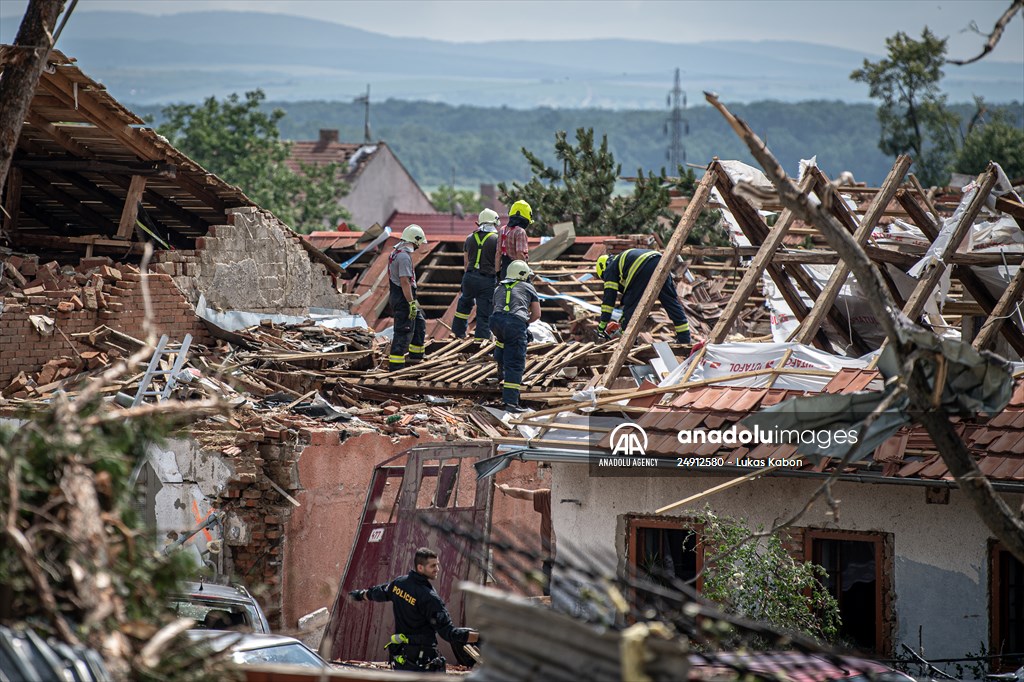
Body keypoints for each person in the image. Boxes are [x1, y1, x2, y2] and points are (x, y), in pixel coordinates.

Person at [349, 547, 479, 672]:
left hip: (402, 660)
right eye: (433, 566)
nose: (437, 569)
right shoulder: (430, 598)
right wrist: (480, 637)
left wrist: (360, 595)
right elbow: (448, 633)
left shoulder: (399, 583)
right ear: (420, 567)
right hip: (423, 664)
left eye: (437, 565)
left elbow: (380, 592)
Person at [595, 248, 691, 344]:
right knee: (671, 302)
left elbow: (609, 299)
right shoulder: (623, 262)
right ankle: (684, 338)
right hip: (661, 261)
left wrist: (602, 324)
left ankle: (628, 342)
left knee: (631, 307)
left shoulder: (610, 268)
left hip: (642, 265)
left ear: (603, 268)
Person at [489, 260, 540, 412]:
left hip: (496, 321)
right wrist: (524, 323)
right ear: (523, 275)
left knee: (502, 343)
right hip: (514, 324)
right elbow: (537, 314)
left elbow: (497, 307)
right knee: (515, 364)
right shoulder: (528, 287)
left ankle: (499, 372)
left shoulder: (499, 286)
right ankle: (511, 403)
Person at [496, 484, 555, 596]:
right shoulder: (549, 496)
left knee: (549, 595)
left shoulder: (548, 495)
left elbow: (521, 493)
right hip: (564, 557)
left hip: (550, 556)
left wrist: (505, 489)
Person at [452, 208, 500, 340]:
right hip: (487, 279)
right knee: (484, 311)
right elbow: (497, 260)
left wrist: (468, 276)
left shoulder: (469, 238)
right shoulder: (497, 239)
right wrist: (498, 276)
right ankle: (481, 339)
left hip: (469, 277)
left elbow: (466, 262)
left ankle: (458, 333)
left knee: (464, 304)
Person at [388, 225, 428, 371]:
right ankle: (396, 366)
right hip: (403, 298)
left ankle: (416, 358)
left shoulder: (396, 252)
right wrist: (411, 303)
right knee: (403, 331)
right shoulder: (403, 257)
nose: (419, 245)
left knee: (419, 323)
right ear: (415, 240)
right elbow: (405, 281)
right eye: (419, 242)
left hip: (405, 296)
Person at [498, 200, 531, 280]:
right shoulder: (520, 231)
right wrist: (524, 271)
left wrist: (497, 272)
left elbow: (498, 253)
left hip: (504, 270)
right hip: (517, 271)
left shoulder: (502, 229)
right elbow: (520, 253)